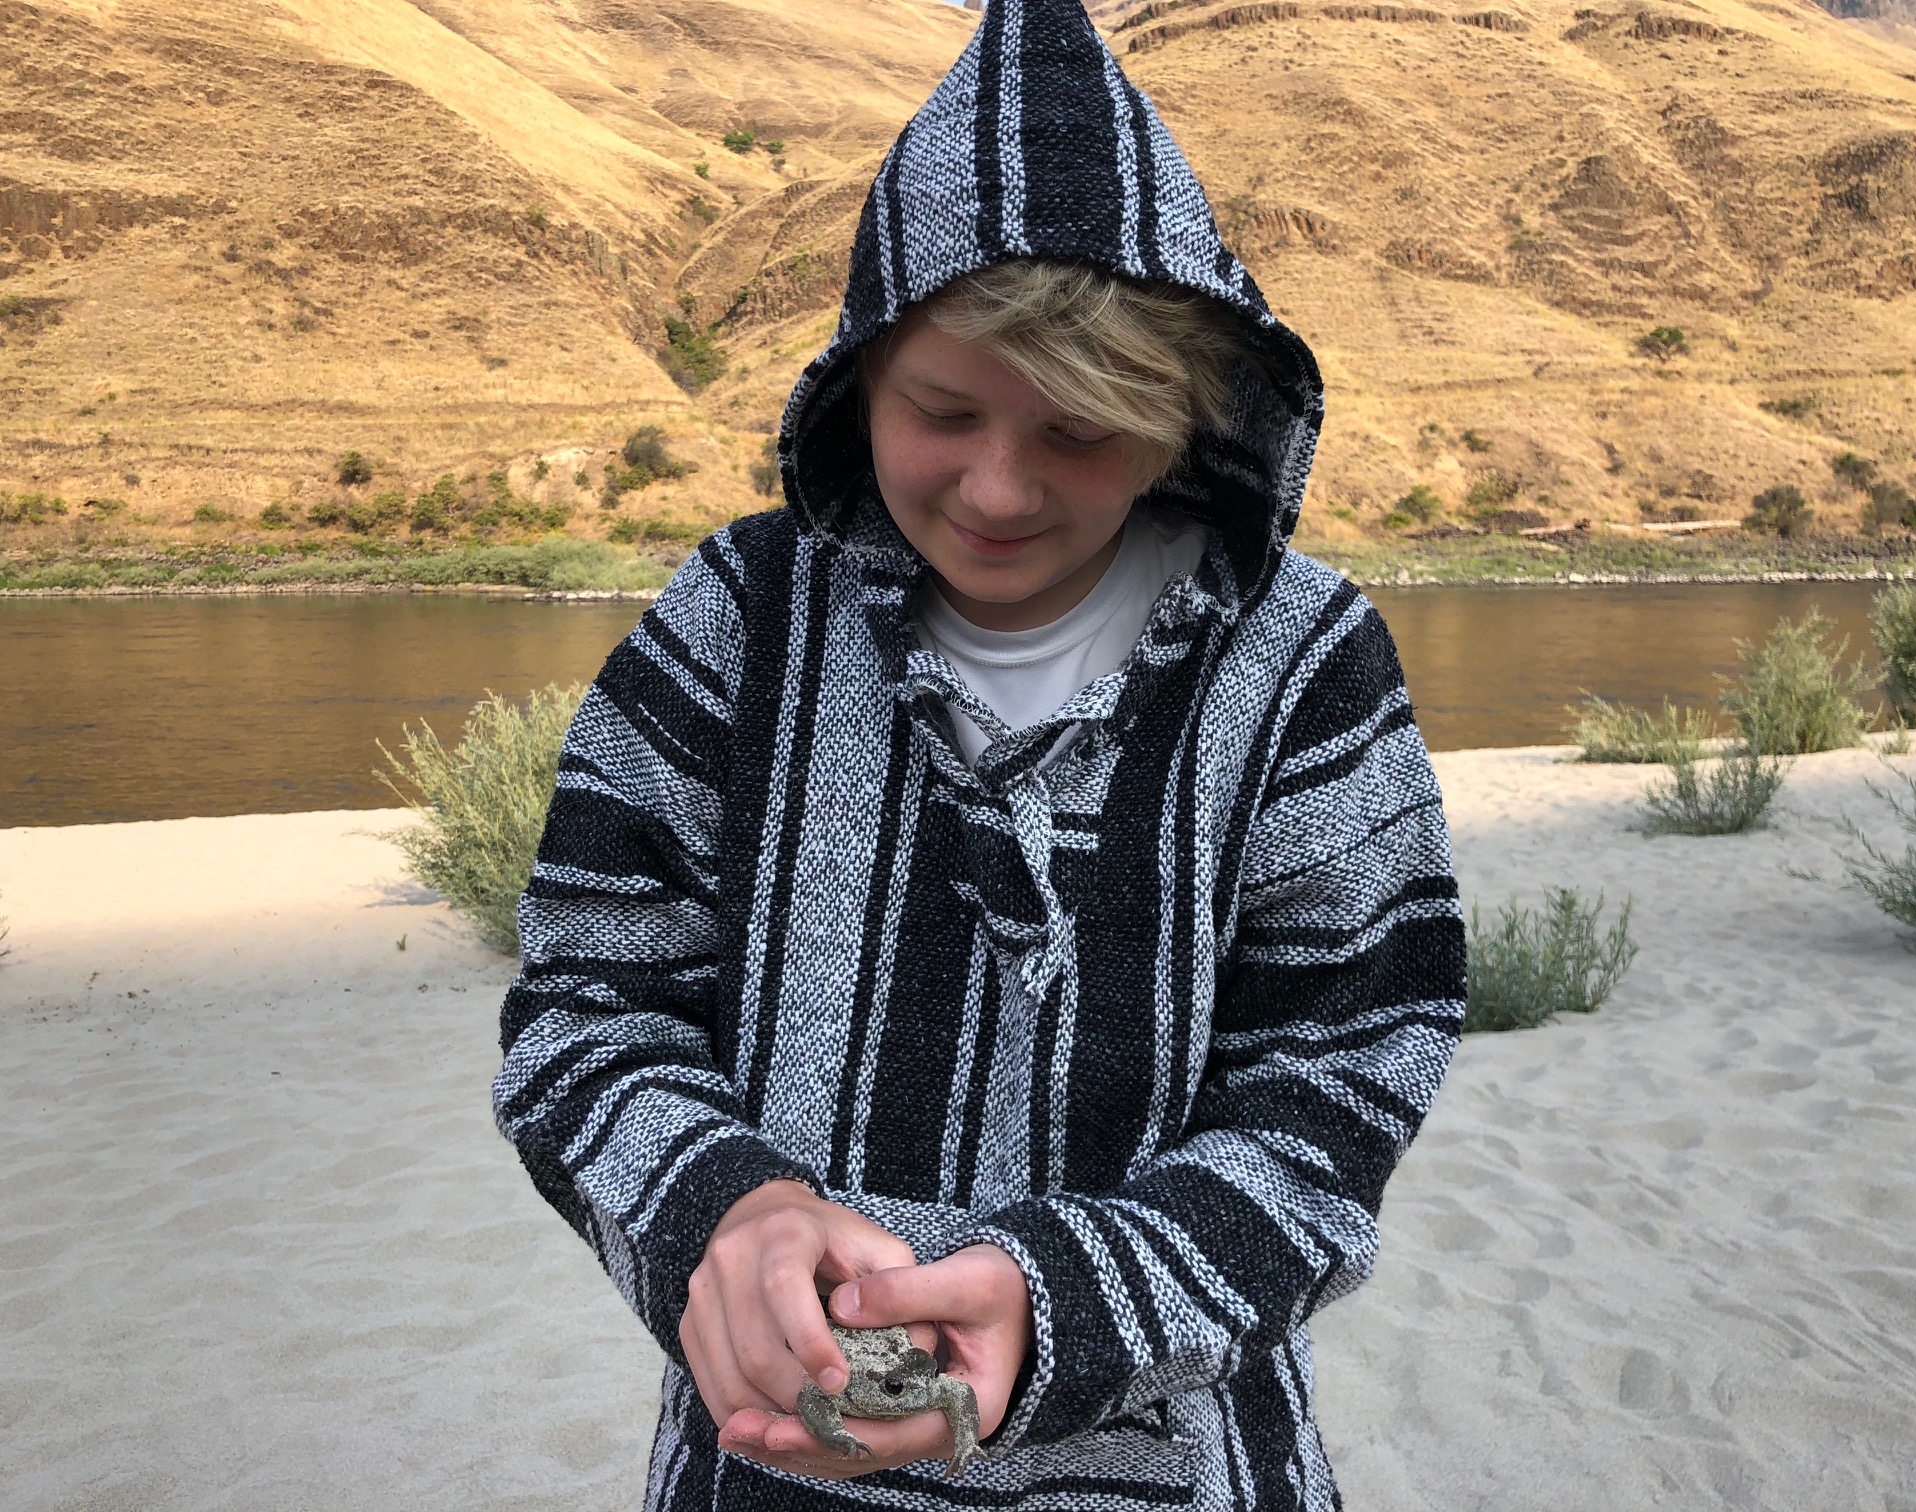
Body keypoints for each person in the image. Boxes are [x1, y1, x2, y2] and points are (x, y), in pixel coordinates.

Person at [491, 1, 1465, 1507]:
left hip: (1182, 1461)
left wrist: (1066, 1301)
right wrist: (725, 1212)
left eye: (1079, 431)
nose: (998, 490)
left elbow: (1348, 1065)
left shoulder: (1301, 657)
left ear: (1178, 417)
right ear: (860, 382)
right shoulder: (739, 619)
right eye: (943, 413)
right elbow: (587, 1002)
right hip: (776, 1462)